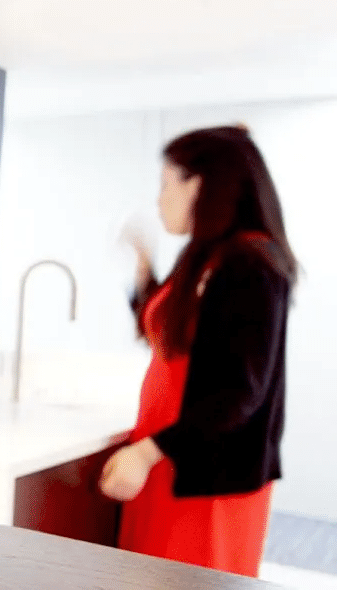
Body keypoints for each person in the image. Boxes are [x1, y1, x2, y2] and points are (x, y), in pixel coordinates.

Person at [100, 125, 296, 577]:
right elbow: (165, 334)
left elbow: (238, 393)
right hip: (170, 458)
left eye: (166, 184)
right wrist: (144, 267)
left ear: (200, 185)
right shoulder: (205, 257)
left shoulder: (249, 264)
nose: (159, 200)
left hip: (203, 473)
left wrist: (147, 453)